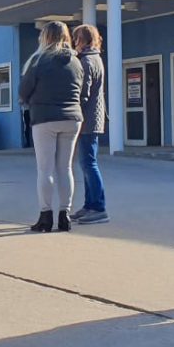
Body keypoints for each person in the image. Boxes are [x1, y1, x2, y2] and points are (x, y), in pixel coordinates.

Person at [19, 21, 83, 233]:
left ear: (45, 37)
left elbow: (23, 90)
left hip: (45, 118)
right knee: (65, 168)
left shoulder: (39, 60)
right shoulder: (76, 61)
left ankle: (45, 216)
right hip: (72, 118)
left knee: (45, 169)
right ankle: (65, 216)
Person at [70, 24, 108, 225]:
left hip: (87, 119)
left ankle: (99, 207)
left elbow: (82, 93)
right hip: (93, 118)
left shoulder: (85, 61)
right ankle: (89, 204)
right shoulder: (96, 58)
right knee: (86, 163)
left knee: (88, 163)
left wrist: (72, 111)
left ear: (82, 40)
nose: (74, 43)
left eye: (76, 39)